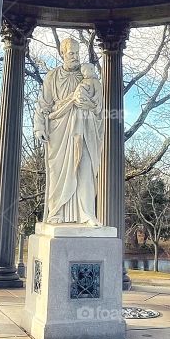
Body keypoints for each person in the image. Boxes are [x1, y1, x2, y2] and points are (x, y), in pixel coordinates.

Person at [33, 38, 103, 225]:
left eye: (77, 53)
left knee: (86, 168)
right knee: (59, 173)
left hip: (84, 129)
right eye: (71, 53)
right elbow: (44, 104)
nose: (75, 57)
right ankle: (57, 212)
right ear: (62, 53)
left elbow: (99, 106)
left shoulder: (87, 76)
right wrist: (39, 126)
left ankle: (86, 213)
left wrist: (86, 104)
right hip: (59, 130)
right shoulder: (52, 77)